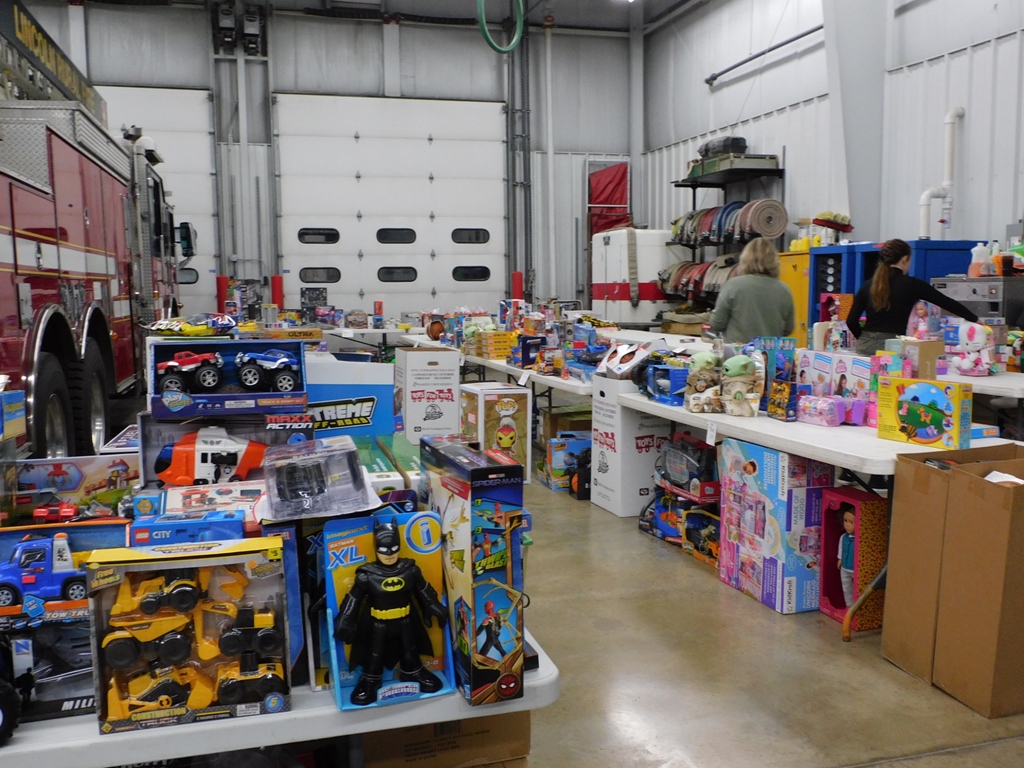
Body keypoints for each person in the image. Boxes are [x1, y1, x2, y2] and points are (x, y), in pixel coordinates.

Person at [846, 239, 979, 356]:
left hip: (865, 346)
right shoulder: (912, 285)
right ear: (905, 259)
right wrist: (975, 319)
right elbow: (947, 303)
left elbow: (851, 321)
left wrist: (864, 338)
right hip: (893, 347)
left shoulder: (868, 285)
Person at [710, 238, 795, 344]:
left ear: (744, 259)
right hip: (770, 352)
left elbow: (717, 324)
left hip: (738, 353)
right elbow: (788, 329)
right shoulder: (784, 289)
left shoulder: (733, 285)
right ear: (774, 261)